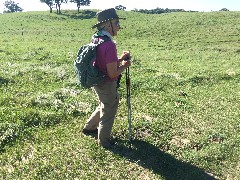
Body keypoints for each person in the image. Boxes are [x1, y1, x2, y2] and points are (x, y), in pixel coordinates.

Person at [82, 8, 131, 148]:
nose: (119, 27)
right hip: (106, 82)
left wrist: (120, 59)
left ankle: (90, 127)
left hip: (97, 80)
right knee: (109, 108)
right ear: (107, 24)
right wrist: (125, 65)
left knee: (104, 104)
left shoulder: (97, 38)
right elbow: (113, 74)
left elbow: (104, 61)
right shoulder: (109, 44)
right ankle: (104, 142)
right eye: (117, 23)